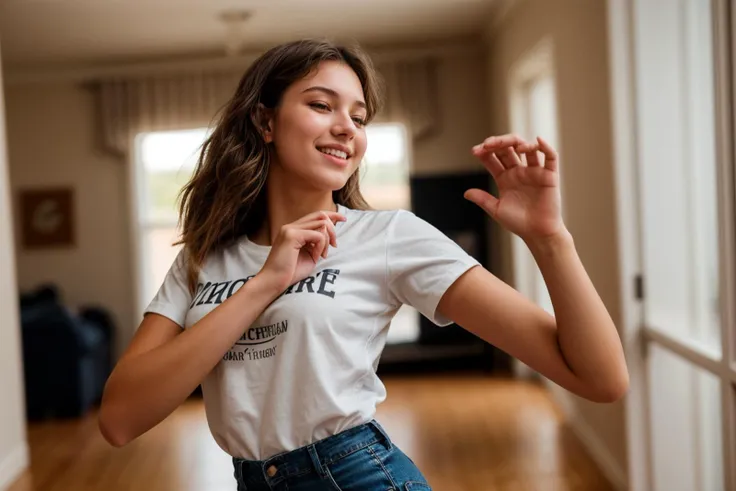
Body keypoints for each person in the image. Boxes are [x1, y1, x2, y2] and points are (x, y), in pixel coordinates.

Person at [98, 38, 629, 490]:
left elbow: (600, 378)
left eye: (358, 116)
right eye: (321, 105)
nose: (347, 128)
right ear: (265, 120)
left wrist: (549, 238)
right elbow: (120, 419)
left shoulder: (389, 237)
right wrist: (265, 285)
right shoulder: (203, 255)